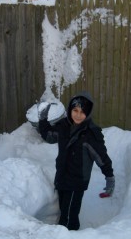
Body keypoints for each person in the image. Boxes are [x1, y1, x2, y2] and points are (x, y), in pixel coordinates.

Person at [38, 91, 115, 230]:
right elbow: (49, 136)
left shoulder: (91, 134)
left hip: (77, 181)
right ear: (70, 109)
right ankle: (65, 234)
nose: (78, 115)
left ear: (88, 113)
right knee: (63, 209)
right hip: (62, 176)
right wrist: (43, 118)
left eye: (82, 112)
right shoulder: (63, 126)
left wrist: (109, 177)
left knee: (69, 216)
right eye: (75, 110)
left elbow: (101, 157)